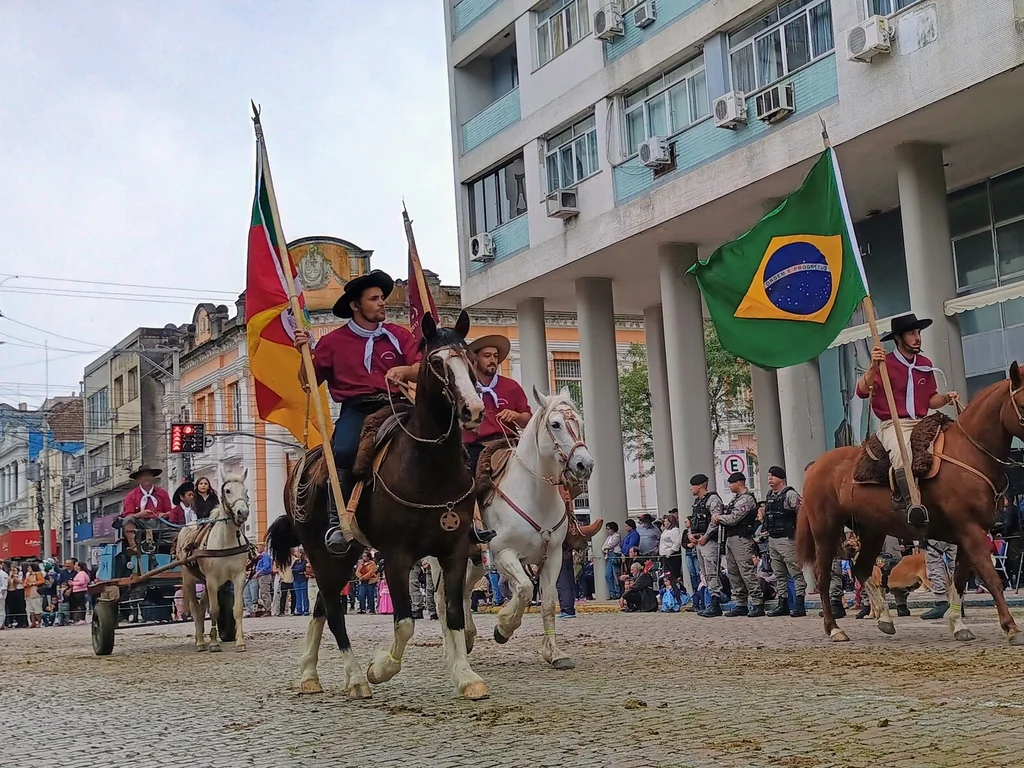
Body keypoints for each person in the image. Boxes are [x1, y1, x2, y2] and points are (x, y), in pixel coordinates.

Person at [294, 269, 426, 556]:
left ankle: (459, 515)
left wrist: (406, 370)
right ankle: (336, 522)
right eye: (374, 298)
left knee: (438, 437)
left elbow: (422, 368)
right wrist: (305, 355)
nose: (382, 303)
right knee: (343, 450)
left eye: (382, 298)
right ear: (356, 306)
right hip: (358, 409)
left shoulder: (398, 335)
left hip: (397, 404)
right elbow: (308, 383)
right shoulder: (332, 343)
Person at [856, 312, 958, 513]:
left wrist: (946, 397)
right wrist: (872, 367)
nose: (918, 337)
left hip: (922, 421)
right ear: (898, 338)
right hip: (893, 424)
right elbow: (861, 391)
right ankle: (912, 503)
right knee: (903, 454)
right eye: (912, 333)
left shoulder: (925, 363)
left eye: (918, 332)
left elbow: (931, 400)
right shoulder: (884, 363)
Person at [714, 472, 764, 617]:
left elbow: (733, 518)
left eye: (731, 483)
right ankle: (741, 602)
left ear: (739, 483)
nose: (729, 486)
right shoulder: (736, 500)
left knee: (746, 571)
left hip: (742, 539)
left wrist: (718, 517)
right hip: (731, 538)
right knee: (733, 572)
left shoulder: (746, 499)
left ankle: (757, 602)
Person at [762, 466, 808, 618]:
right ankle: (783, 603)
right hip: (773, 539)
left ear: (781, 478)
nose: (770, 479)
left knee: (795, 571)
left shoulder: (790, 494)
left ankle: (800, 603)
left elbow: (801, 513)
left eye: (773, 476)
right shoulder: (770, 495)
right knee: (779, 573)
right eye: (769, 476)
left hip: (787, 538)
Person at [688, 474, 724, 618]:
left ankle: (715, 602)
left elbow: (715, 521)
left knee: (711, 571)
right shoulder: (698, 502)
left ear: (701, 485)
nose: (691, 488)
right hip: (699, 540)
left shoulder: (713, 500)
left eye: (693, 485)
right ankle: (711, 601)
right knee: (704, 573)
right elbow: (693, 521)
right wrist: (690, 534)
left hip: (709, 541)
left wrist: (706, 536)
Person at [119, 464, 174, 551]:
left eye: (149, 475)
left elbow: (170, 511)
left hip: (160, 525)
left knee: (179, 535)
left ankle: (175, 554)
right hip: (141, 525)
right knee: (128, 520)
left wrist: (164, 514)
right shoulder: (131, 495)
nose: (146, 478)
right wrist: (139, 514)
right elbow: (127, 515)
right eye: (143, 476)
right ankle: (134, 548)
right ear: (138, 479)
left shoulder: (162, 493)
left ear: (153, 477)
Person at [659, 512, 683, 584]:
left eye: (667, 521)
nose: (665, 523)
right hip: (664, 556)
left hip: (672, 556)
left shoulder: (675, 530)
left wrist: (671, 551)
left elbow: (677, 542)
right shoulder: (666, 530)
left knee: (673, 575)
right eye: (664, 521)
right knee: (666, 575)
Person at [601, 522, 622, 599]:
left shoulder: (617, 536)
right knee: (608, 575)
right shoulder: (609, 537)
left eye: (608, 529)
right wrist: (606, 548)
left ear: (613, 529)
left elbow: (611, 545)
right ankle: (612, 592)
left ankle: (617, 593)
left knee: (615, 575)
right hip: (609, 556)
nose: (607, 530)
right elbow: (604, 546)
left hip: (615, 555)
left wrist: (606, 548)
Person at [24, 562, 45, 628]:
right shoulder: (28, 575)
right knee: (31, 610)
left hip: (36, 594)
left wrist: (33, 583)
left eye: (29, 567)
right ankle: (33, 623)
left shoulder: (38, 573)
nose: (28, 568)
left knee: (37, 610)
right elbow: (25, 582)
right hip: (28, 594)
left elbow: (42, 581)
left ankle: (39, 622)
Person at [292, 548, 310, 616]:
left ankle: (306, 609)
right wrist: (296, 570)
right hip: (296, 580)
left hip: (303, 580)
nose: (296, 553)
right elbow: (293, 569)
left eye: (298, 552)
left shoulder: (304, 562)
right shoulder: (296, 562)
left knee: (304, 595)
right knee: (298, 595)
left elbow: (301, 568)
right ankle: (299, 609)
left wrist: (296, 570)